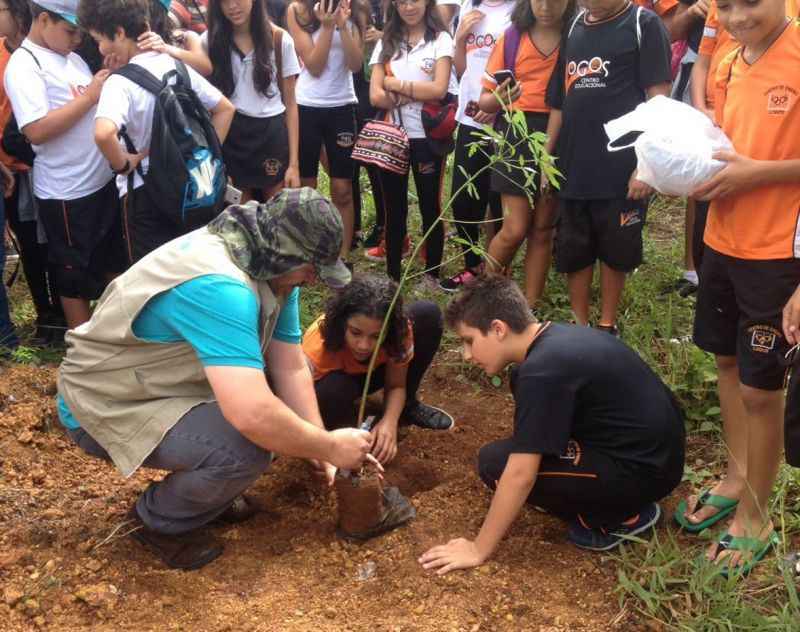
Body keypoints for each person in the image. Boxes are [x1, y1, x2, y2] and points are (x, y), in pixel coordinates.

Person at [57, 187, 378, 570]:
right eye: (310, 269)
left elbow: (289, 365)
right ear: (286, 253)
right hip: (103, 399)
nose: (312, 280)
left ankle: (208, 494)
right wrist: (328, 445)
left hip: (157, 382)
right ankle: (158, 522)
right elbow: (253, 415)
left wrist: (320, 448)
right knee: (246, 447)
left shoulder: (273, 267)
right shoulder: (222, 287)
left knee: (275, 422)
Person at [418, 276, 685, 573]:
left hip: (642, 471)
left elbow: (521, 474)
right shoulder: (552, 341)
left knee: (495, 465)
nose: (467, 355)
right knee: (507, 457)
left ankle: (623, 517)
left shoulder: (541, 372)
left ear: (498, 329)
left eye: (469, 341)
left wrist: (478, 549)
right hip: (656, 453)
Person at [674, 0, 800, 577]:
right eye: (726, 4)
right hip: (723, 239)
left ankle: (756, 517)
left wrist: (759, 172)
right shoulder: (726, 57)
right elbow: (721, 140)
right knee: (726, 361)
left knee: (760, 388)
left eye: (750, 2)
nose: (739, 14)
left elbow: (758, 161)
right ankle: (734, 477)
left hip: (778, 252)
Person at [545, 0, 672, 336]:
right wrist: (547, 156)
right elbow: (559, 100)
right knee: (575, 248)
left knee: (616, 248)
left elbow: (659, 100)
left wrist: (645, 165)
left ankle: (607, 324)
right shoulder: (574, 25)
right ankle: (579, 323)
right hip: (573, 163)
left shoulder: (643, 24)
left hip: (620, 167)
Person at [78, 0, 235, 265]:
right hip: (191, 188)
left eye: (98, 39)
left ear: (118, 32)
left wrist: (123, 164)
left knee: (152, 275)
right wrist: (204, 151)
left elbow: (104, 134)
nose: (100, 48)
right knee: (193, 265)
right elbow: (225, 108)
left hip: (145, 194)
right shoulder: (175, 65)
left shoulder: (119, 83)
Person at [4, 0, 122, 330]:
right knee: (74, 279)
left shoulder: (70, 59)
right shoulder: (24, 66)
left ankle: (115, 344)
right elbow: (36, 130)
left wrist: (104, 76)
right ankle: (82, 356)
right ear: (43, 19)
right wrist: (89, 96)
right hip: (67, 192)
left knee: (113, 265)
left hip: (99, 180)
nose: (76, 40)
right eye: (70, 31)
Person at [477, 0, 574, 311]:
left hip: (561, 131)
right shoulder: (512, 37)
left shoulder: (577, 37)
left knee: (543, 227)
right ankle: (487, 294)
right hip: (516, 131)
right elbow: (485, 101)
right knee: (515, 227)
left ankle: (529, 308)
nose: (545, 7)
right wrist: (500, 98)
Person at [304, 274, 454, 463]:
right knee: (335, 389)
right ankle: (342, 424)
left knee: (426, 315)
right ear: (342, 324)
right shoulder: (318, 346)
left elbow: (396, 384)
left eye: (376, 336)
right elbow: (301, 403)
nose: (364, 346)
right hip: (337, 383)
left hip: (376, 370)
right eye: (355, 333)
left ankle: (406, 407)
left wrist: (389, 422)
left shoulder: (398, 331)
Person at [367, 0, 453, 289]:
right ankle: (392, 275)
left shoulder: (440, 40)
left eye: (413, 0)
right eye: (401, 2)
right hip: (393, 137)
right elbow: (375, 95)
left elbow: (440, 89)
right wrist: (414, 92)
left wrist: (398, 86)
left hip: (428, 137)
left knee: (431, 205)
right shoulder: (387, 43)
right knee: (394, 208)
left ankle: (432, 274)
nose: (408, 7)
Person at [0, 0, 65, 344]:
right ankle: (47, 316)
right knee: (30, 246)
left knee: (54, 242)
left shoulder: (42, 56)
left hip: (46, 166)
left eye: (2, 10)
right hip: (14, 170)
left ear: (19, 14)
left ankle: (63, 313)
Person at [437, 0, 513, 293]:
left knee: (497, 201)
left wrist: (495, 105)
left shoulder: (518, 10)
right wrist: (458, 40)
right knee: (464, 199)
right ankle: (473, 265)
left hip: (503, 119)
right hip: (469, 116)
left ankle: (498, 273)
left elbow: (518, 66)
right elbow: (463, 69)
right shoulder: (469, 4)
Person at [287, 0, 365, 260]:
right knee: (307, 188)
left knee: (342, 188)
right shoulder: (298, 10)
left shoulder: (357, 10)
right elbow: (314, 65)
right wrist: (328, 27)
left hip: (342, 105)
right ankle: (311, 253)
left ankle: (342, 257)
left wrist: (343, 25)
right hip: (307, 106)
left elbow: (355, 65)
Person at [203, 0, 301, 201]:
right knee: (239, 217)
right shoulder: (209, 42)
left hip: (270, 135)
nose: (232, 6)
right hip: (231, 134)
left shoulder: (280, 40)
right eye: (224, 2)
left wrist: (293, 165)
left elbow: (291, 105)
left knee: (275, 216)